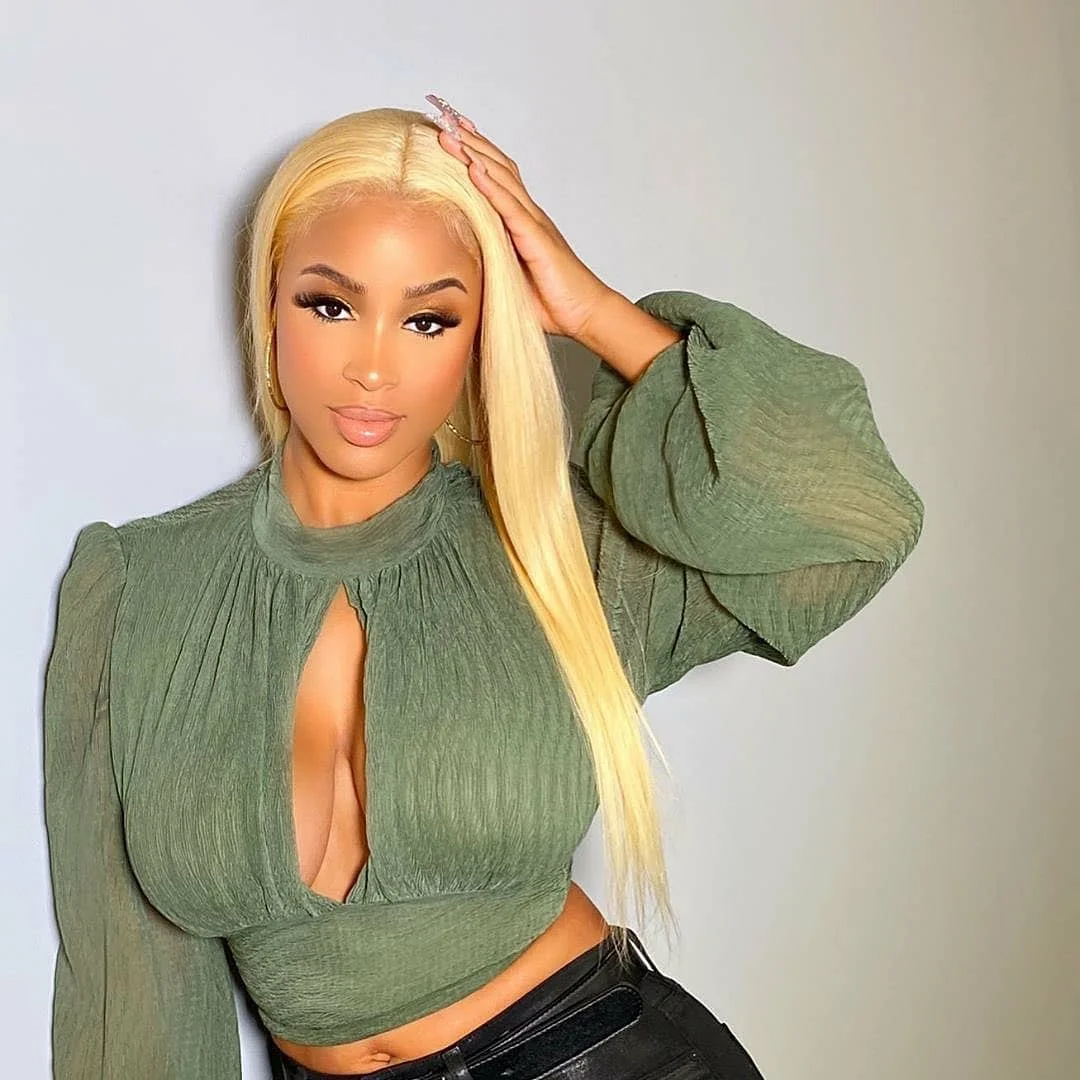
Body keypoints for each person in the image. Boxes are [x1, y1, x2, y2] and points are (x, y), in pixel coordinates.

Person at [41, 95, 925, 1080]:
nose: (374, 368)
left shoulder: (555, 547)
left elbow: (850, 522)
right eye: (330, 304)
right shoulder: (138, 587)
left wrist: (591, 310)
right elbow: (130, 990)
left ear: (480, 333)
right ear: (270, 300)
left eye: (430, 318)